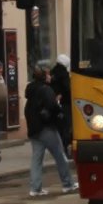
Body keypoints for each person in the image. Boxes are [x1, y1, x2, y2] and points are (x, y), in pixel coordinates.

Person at [25, 66, 78, 197]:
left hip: (33, 129)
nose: (50, 77)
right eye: (48, 75)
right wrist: (59, 113)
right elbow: (53, 106)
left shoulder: (30, 90)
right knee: (60, 155)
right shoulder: (46, 89)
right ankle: (68, 184)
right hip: (46, 128)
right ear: (44, 77)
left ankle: (35, 188)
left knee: (36, 159)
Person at [51, 54, 74, 162]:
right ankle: (64, 150)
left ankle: (59, 149)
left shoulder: (52, 73)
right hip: (66, 104)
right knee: (66, 127)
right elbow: (67, 88)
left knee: (59, 128)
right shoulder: (64, 75)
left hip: (55, 104)